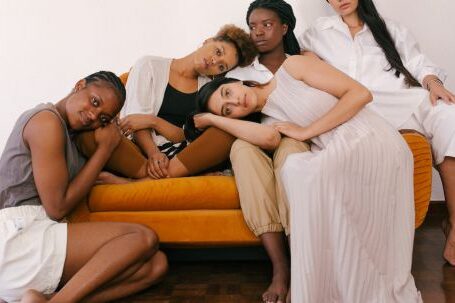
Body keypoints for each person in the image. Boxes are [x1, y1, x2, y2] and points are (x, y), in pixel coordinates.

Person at [190, 54, 422, 302]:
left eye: (227, 93)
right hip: (337, 148)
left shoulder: (293, 67)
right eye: (228, 110)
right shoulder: (269, 120)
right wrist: (214, 119)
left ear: (237, 81)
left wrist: (306, 131)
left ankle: (310, 277)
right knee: (301, 173)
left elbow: (360, 94)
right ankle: (307, 276)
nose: (236, 101)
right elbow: (269, 139)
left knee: (303, 172)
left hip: (367, 137)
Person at [298, 0, 455, 265]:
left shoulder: (390, 29)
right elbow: (297, 62)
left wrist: (433, 83)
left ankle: (453, 222)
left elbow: (418, 63)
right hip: (355, 107)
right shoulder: (316, 33)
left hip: (398, 102)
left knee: (449, 115)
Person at [0, 71, 168, 303]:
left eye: (103, 119)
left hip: (36, 237)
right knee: (142, 237)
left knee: (156, 266)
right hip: (17, 237)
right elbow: (57, 208)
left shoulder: (71, 135)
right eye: (94, 102)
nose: (92, 116)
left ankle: (48, 299)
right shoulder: (46, 121)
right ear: (79, 85)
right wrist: (104, 149)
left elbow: (84, 185)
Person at [76, 25, 257, 183]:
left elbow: (187, 136)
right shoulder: (149, 65)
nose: (215, 61)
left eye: (222, 67)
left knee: (223, 133)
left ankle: (136, 181)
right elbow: (133, 122)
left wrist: (153, 121)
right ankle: (156, 175)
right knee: (91, 135)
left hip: (177, 156)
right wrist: (154, 153)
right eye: (218, 52)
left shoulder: (209, 91)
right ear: (208, 41)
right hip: (137, 150)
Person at [225, 1, 308, 302]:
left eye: (267, 24)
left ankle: (301, 264)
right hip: (255, 135)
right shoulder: (241, 69)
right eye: (252, 26)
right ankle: (280, 268)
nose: (258, 32)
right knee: (241, 151)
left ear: (285, 27)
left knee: (290, 158)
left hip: (294, 133)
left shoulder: (301, 61)